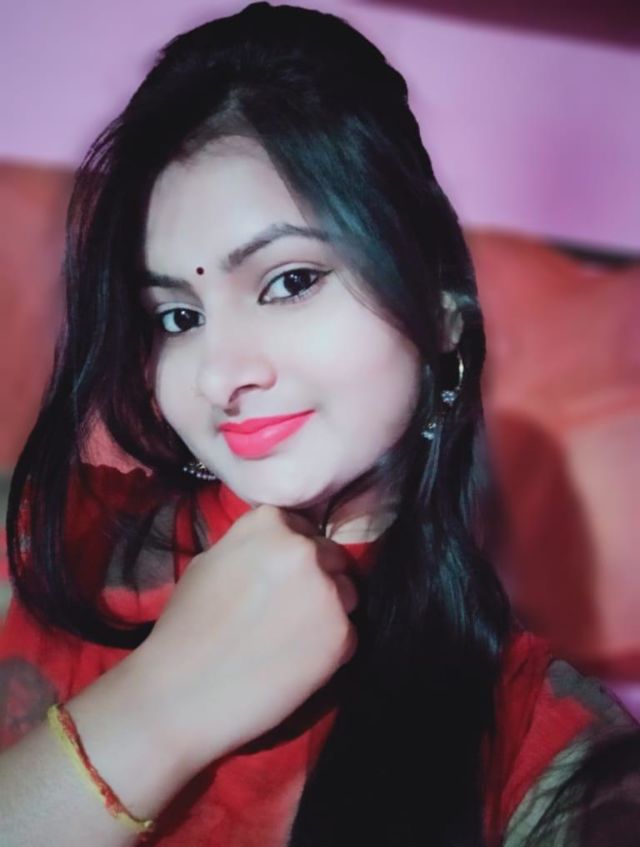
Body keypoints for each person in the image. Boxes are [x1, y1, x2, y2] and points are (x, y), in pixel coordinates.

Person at [0, 3, 638, 845]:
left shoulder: (546, 750)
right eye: (178, 317)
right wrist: (157, 706)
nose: (220, 374)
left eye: (290, 281)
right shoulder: (35, 542)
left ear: (442, 311)